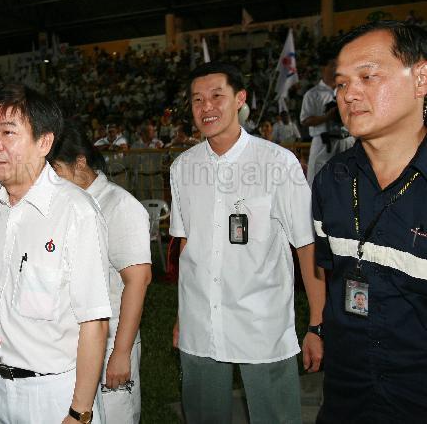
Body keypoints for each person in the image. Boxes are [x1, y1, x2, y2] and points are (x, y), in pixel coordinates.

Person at [169, 62, 326, 424]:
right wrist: (182, 315)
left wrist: (317, 324)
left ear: (240, 99)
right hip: (201, 322)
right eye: (197, 100)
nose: (206, 107)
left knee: (276, 418)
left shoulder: (277, 163)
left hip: (262, 324)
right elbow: (186, 246)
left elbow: (306, 246)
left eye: (216, 96)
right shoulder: (182, 168)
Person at [0, 84, 112, 424]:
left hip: (54, 395)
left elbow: (94, 322)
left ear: (44, 143)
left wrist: (79, 412)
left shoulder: (75, 212)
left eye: (8, 132)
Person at [313, 21, 427, 422]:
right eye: (342, 84)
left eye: (368, 76)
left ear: (421, 78)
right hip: (347, 393)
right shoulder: (332, 180)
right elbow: (332, 274)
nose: (349, 94)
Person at [48, 121, 151, 424]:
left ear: (79, 162)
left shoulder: (119, 206)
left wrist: (120, 352)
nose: (50, 180)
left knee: (114, 416)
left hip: (111, 338)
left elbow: (138, 280)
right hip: (72, 340)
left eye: (55, 170)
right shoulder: (64, 204)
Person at [300, 53, 344, 184]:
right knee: (317, 182)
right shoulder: (312, 94)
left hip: (346, 140)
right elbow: (304, 121)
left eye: (338, 65)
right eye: (332, 65)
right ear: (322, 68)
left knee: (347, 184)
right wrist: (327, 117)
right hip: (323, 142)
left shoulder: (347, 90)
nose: (336, 69)